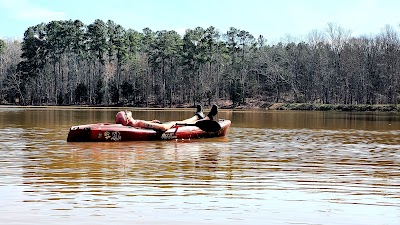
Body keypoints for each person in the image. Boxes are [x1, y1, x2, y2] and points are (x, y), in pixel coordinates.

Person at [115, 104, 218, 132]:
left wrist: (151, 122)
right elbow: (163, 128)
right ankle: (208, 118)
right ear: (127, 120)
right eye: (125, 113)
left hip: (159, 125)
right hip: (166, 128)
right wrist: (170, 124)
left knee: (181, 122)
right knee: (179, 122)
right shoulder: (138, 123)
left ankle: (198, 115)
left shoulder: (136, 122)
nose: (127, 111)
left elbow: (143, 124)